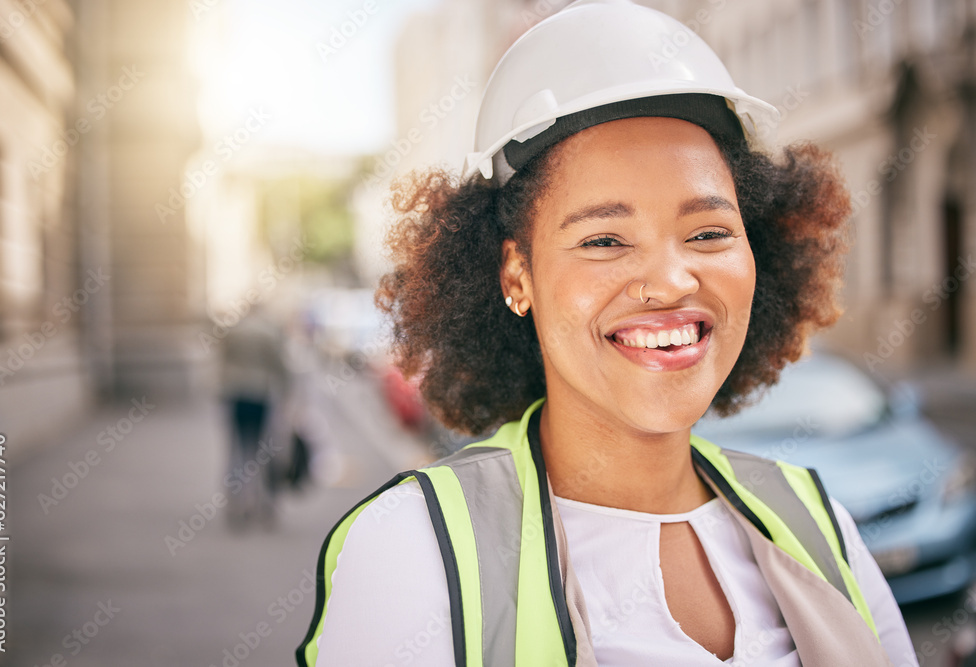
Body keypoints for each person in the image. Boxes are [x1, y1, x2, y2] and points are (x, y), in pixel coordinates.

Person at [296, 1, 919, 665]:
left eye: (708, 232)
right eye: (604, 239)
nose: (672, 280)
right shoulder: (410, 551)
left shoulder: (822, 526)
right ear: (517, 275)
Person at [218, 301, 292, 528]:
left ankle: (237, 503)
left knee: (238, 450)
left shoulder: (233, 330)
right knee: (264, 452)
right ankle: (264, 504)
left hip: (235, 393)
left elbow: (223, 359)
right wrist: (288, 391)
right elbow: (280, 365)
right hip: (261, 394)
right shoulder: (269, 331)